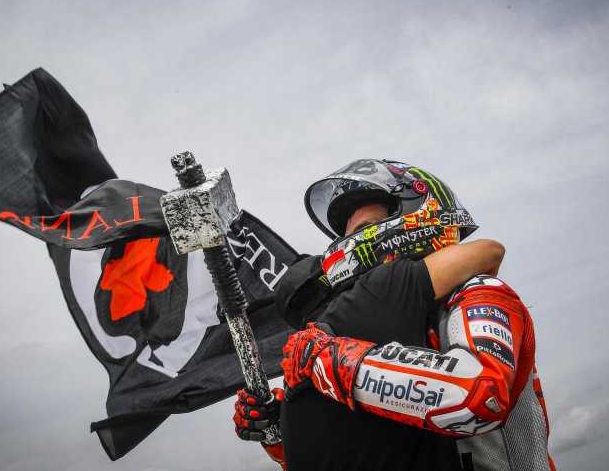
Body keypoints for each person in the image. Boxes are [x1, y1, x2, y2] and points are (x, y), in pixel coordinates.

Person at [233, 159, 554, 470]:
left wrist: (333, 363)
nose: (348, 243)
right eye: (345, 235)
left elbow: (480, 399)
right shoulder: (381, 333)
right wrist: (289, 425)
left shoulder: (480, 291)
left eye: (363, 228)